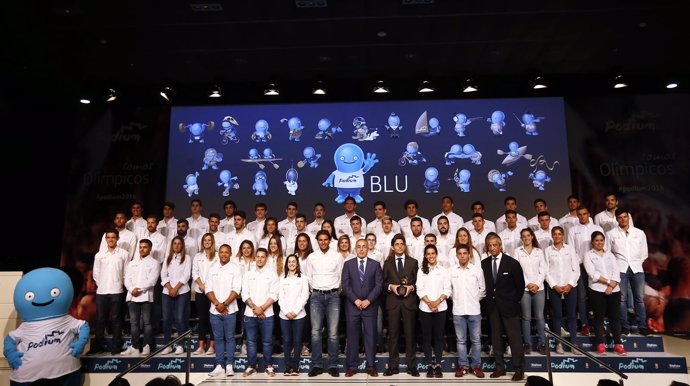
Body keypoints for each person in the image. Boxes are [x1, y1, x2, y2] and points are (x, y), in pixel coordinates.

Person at [481, 233, 526, 381]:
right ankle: (499, 368)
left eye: (495, 245)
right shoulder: (484, 263)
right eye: (490, 245)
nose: (493, 248)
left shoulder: (512, 263)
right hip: (493, 308)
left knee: (514, 339)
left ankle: (519, 369)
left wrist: (512, 301)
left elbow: (520, 287)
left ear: (501, 246)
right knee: (496, 339)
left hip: (509, 308)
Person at [304, 230, 344, 377]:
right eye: (320, 240)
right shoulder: (311, 257)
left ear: (329, 240)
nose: (323, 242)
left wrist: (335, 290)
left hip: (333, 296)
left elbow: (341, 275)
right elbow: (308, 277)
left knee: (333, 333)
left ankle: (333, 365)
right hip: (316, 296)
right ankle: (317, 365)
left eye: (325, 239)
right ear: (317, 241)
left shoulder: (337, 256)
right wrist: (315, 290)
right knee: (315, 333)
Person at [341, 239, 383, 377]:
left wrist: (368, 300)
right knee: (352, 337)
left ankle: (371, 366)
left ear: (368, 248)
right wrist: (356, 300)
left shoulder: (375, 265)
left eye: (364, 246)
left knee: (370, 337)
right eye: (358, 247)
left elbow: (378, 286)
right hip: (352, 307)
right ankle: (352, 367)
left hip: (369, 307)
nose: (361, 249)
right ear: (355, 248)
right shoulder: (348, 264)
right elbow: (345, 286)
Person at [382, 234, 420, 377]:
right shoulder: (387, 263)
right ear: (392, 247)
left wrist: (412, 288)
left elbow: (419, 283)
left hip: (409, 302)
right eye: (396, 244)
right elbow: (383, 284)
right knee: (393, 336)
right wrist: (391, 286)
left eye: (401, 243)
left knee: (410, 336)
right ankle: (393, 367)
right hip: (393, 303)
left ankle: (411, 367)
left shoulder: (413, 262)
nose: (399, 246)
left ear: (404, 246)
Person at [583, 231, 626, 356]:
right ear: (592, 242)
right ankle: (600, 345)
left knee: (615, 318)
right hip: (597, 290)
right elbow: (592, 274)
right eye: (596, 240)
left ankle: (618, 344)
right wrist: (608, 283)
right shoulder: (588, 255)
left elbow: (616, 271)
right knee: (599, 318)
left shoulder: (610, 254)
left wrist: (611, 286)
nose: (599, 242)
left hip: (614, 290)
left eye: (601, 240)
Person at [607, 208, 649, 335]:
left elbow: (644, 253)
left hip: (637, 268)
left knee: (640, 299)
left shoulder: (639, 233)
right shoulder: (611, 233)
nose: (623, 219)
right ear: (616, 219)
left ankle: (642, 326)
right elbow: (608, 253)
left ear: (628, 218)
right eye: (620, 217)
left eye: (625, 217)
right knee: (622, 299)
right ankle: (625, 326)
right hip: (620, 268)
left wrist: (637, 263)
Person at [242, 248, 280, 377]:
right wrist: (255, 308)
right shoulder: (248, 274)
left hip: (267, 314)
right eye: (257, 256)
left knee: (267, 341)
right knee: (251, 341)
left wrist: (262, 308)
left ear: (266, 258)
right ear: (255, 258)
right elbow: (244, 293)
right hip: (250, 313)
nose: (259, 259)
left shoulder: (272, 274)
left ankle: (268, 366)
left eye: (262, 257)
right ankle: (252, 366)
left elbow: (274, 295)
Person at [206, 244, 242, 377]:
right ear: (218, 253)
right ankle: (219, 365)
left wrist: (225, 304)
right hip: (215, 310)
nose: (224, 254)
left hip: (230, 310)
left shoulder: (235, 268)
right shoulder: (212, 268)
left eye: (226, 252)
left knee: (230, 338)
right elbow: (208, 288)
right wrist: (217, 304)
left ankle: (229, 365)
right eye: (222, 252)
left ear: (230, 253)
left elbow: (236, 289)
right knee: (218, 338)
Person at [449, 244, 485, 378]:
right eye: (460, 253)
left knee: (476, 340)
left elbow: (483, 289)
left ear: (469, 255)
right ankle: (463, 366)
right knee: (461, 340)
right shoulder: (452, 271)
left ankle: (476, 366)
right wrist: (457, 299)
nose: (463, 255)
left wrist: (474, 300)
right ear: (457, 255)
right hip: (458, 310)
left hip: (474, 310)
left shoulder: (476, 270)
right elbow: (450, 290)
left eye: (465, 253)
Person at [91, 229, 129, 355]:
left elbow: (126, 273)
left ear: (117, 238)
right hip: (101, 291)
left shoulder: (124, 254)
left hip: (116, 290)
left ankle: (116, 347)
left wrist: (120, 284)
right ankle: (98, 346)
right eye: (108, 237)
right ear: (105, 239)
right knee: (100, 319)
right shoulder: (99, 255)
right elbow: (96, 273)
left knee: (116, 319)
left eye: (113, 237)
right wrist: (100, 284)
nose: (111, 239)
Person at [567, 206, 604, 336]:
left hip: (597, 267)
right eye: (580, 214)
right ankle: (584, 324)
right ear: (577, 215)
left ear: (589, 213)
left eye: (584, 214)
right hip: (581, 267)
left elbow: (603, 247)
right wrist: (580, 263)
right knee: (582, 297)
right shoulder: (573, 230)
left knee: (597, 296)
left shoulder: (597, 229)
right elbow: (572, 250)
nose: (582, 216)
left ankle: (600, 325)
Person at [416, 244, 451, 378]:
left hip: (440, 309)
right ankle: (429, 366)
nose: (431, 256)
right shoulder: (421, 270)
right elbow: (419, 289)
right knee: (427, 338)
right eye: (428, 254)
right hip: (425, 309)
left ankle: (438, 365)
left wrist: (437, 302)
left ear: (436, 254)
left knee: (438, 338)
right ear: (425, 256)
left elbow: (447, 289)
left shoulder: (443, 270)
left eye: (433, 253)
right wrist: (430, 303)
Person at [121, 239, 160, 356]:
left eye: (145, 247)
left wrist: (140, 290)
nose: (142, 249)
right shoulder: (132, 262)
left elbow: (152, 281)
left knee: (147, 323)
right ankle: (134, 347)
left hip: (146, 296)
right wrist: (132, 289)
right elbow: (127, 279)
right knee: (134, 323)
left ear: (150, 249)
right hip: (132, 296)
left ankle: (146, 346)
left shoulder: (154, 263)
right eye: (140, 247)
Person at [544, 226, 579, 354]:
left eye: (559, 234)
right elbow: (546, 271)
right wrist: (554, 285)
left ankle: (574, 344)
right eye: (555, 234)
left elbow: (576, 269)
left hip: (570, 287)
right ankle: (559, 344)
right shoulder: (547, 251)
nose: (557, 236)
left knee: (571, 316)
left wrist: (570, 284)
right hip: (555, 288)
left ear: (563, 236)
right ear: (552, 236)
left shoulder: (570, 249)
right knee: (557, 316)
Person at [515, 228, 548, 355]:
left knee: (540, 317)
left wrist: (536, 284)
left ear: (532, 237)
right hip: (524, 288)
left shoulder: (539, 251)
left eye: (528, 235)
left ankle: (542, 343)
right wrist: (528, 283)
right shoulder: (517, 251)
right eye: (523, 236)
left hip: (539, 288)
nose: (526, 238)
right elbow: (518, 270)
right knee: (526, 317)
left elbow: (543, 269)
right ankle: (527, 344)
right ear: (521, 238)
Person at [278, 254, 310, 376]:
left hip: (299, 315)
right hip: (284, 315)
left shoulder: (303, 278)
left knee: (297, 341)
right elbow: (280, 297)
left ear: (297, 264)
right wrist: (286, 312)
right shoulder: (282, 278)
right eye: (289, 262)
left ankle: (295, 367)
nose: (291, 263)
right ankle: (287, 366)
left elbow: (305, 296)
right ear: (286, 264)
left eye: (294, 261)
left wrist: (295, 311)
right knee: (286, 340)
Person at [160, 236, 192, 355]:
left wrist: (176, 288)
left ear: (182, 246)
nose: (176, 246)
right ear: (172, 245)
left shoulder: (187, 258)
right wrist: (169, 288)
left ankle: (180, 345)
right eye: (174, 244)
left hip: (182, 291)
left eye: (179, 244)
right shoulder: (167, 258)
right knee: (167, 318)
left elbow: (186, 275)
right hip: (167, 292)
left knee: (179, 318)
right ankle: (167, 345)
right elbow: (163, 274)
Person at [191, 233, 218, 356]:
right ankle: (201, 346)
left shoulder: (217, 256)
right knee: (202, 319)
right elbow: (194, 272)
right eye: (204, 240)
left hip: (213, 292)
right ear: (202, 242)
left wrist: (209, 287)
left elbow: (217, 273)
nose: (207, 242)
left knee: (213, 319)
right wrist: (201, 285)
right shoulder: (197, 256)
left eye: (209, 240)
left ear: (212, 242)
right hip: (200, 291)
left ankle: (212, 346)